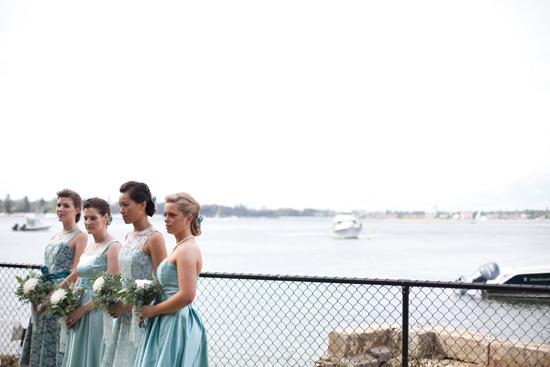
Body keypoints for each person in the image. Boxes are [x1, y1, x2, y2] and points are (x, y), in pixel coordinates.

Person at [134, 192, 208, 367]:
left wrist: (152, 311)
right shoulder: (180, 247)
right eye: (165, 214)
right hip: (164, 319)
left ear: (188, 218)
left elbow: (187, 295)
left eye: (172, 215)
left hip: (173, 322)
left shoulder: (187, 250)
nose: (166, 219)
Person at [101, 181, 166, 367]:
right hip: (123, 317)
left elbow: (160, 283)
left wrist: (129, 305)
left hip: (141, 317)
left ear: (142, 205)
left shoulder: (155, 238)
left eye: (125, 205)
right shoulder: (128, 236)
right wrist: (111, 298)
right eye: (119, 205)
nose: (121, 210)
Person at [20, 189, 88, 367]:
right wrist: (36, 292)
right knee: (38, 340)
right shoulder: (55, 236)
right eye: (58, 205)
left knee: (56, 344)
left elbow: (76, 272)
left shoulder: (80, 236)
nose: (60, 208)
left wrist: (51, 296)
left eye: (66, 205)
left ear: (77, 210)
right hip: (42, 297)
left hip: (59, 298)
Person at [62, 197, 121, 367]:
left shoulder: (113, 246)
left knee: (93, 358)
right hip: (78, 308)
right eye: (86, 218)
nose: (88, 222)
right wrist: (70, 303)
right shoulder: (89, 246)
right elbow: (79, 277)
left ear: (106, 218)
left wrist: (81, 311)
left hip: (96, 313)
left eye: (93, 218)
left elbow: (112, 289)